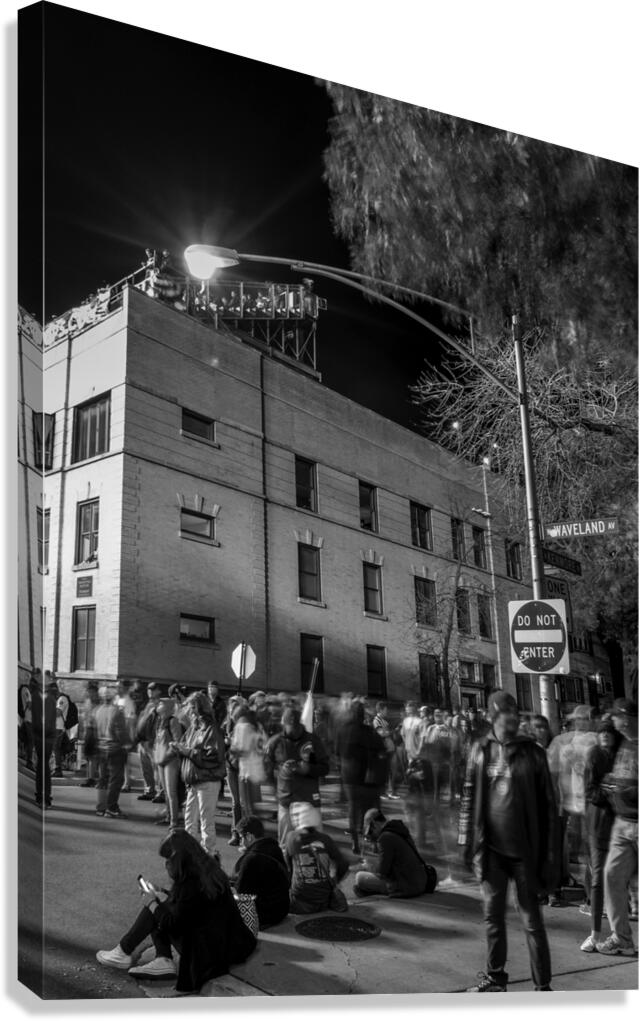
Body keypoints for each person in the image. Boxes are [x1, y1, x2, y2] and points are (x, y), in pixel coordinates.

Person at [458, 689, 558, 992]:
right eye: (506, 712)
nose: (513, 716)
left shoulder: (533, 753)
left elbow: (549, 808)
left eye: (515, 711)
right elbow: (467, 797)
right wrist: (466, 842)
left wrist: (551, 855)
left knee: (532, 922)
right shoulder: (480, 749)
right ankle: (495, 978)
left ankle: (543, 987)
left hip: (526, 853)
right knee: (492, 919)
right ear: (493, 715)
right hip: (491, 851)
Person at [96, 830, 256, 991]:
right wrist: (164, 895)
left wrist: (152, 902)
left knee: (154, 908)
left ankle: (130, 952)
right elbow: (192, 908)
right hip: (231, 944)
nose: (166, 864)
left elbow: (173, 923)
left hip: (209, 953)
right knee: (159, 903)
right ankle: (157, 957)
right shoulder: (208, 869)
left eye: (168, 859)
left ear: (178, 859)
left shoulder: (190, 883)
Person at [596, 698, 638, 956]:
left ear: (627, 717)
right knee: (612, 876)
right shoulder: (625, 744)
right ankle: (622, 937)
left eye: (615, 716)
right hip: (622, 823)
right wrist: (612, 784)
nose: (612, 721)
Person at [579, 718, 620, 952]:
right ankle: (595, 934)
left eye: (608, 732)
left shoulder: (622, 755)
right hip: (598, 825)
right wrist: (609, 792)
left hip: (619, 823)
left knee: (616, 880)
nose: (604, 735)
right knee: (597, 880)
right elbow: (590, 791)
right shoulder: (594, 756)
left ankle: (618, 935)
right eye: (601, 732)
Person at [265, 706, 330, 847]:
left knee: (315, 844)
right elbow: (266, 768)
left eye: (294, 726)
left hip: (309, 801)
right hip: (286, 801)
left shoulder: (313, 741)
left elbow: (325, 768)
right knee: (285, 844)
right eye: (288, 726)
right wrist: (281, 772)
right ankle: (286, 868)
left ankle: (316, 868)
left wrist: (307, 769)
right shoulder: (276, 741)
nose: (291, 730)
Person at [171, 691, 226, 857]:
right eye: (189, 706)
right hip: (194, 780)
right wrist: (179, 748)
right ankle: (191, 854)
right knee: (190, 821)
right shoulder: (195, 728)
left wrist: (186, 751)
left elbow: (214, 756)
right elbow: (185, 746)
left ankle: (208, 855)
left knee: (206, 821)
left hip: (207, 780)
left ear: (201, 707)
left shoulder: (211, 728)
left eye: (193, 706)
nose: (190, 710)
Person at [336, 700, 387, 854]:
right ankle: (373, 842)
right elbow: (381, 749)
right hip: (368, 777)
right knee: (372, 810)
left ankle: (355, 841)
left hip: (350, 776)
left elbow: (337, 753)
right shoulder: (368, 731)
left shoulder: (342, 730)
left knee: (353, 809)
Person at [284, 802, 349, 913]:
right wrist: (334, 880)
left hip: (299, 902)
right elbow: (343, 864)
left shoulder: (292, 838)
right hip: (323, 901)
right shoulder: (325, 839)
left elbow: (287, 867)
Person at [354, 808, 430, 898]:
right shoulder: (399, 830)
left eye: (370, 831)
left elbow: (382, 872)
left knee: (359, 877)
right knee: (361, 885)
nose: (372, 835)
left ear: (374, 824)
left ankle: (373, 891)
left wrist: (369, 866)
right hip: (419, 883)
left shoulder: (385, 838)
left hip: (404, 887)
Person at [231, 815, 290, 928]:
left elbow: (241, 893)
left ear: (249, 837)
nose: (240, 843)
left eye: (241, 838)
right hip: (282, 908)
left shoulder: (251, 859)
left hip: (265, 915)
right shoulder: (274, 849)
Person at [89, 684, 130, 818]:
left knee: (103, 779)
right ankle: (111, 807)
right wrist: (127, 743)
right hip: (114, 749)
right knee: (115, 780)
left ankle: (101, 807)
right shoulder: (116, 712)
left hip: (101, 748)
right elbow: (120, 732)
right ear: (112, 697)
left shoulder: (97, 710)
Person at [153, 697, 186, 832]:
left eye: (161, 703)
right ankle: (169, 817)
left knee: (171, 791)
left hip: (170, 761)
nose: (159, 705)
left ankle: (174, 821)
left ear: (167, 706)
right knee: (166, 791)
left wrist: (165, 757)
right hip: (162, 760)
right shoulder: (161, 721)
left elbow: (177, 742)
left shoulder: (173, 721)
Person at [30, 670, 56, 809]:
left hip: (48, 736)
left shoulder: (51, 697)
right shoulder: (35, 696)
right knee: (41, 766)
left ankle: (44, 796)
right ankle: (42, 796)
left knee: (43, 766)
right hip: (39, 735)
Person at [372, 701, 401, 798]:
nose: (387, 712)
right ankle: (383, 792)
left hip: (390, 748)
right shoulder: (377, 720)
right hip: (384, 750)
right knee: (385, 772)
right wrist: (393, 731)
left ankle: (391, 792)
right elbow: (381, 733)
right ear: (380, 710)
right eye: (385, 710)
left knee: (392, 771)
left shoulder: (384, 720)